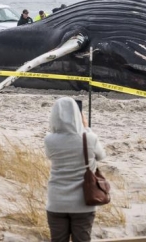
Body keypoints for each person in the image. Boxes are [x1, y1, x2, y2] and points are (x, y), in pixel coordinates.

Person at [45, 97, 106, 242]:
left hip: (56, 201)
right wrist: (86, 128)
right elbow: (101, 156)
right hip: (83, 203)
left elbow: (50, 156)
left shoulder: (49, 140)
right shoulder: (89, 138)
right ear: (78, 115)